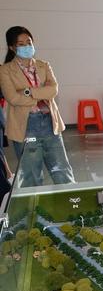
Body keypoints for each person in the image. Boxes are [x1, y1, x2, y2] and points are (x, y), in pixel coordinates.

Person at [0, 26, 74, 187]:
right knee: (31, 176)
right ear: (12, 47)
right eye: (21, 44)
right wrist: (41, 94)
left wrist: (28, 92)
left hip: (50, 123)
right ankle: (33, 204)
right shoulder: (5, 70)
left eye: (29, 42)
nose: (27, 46)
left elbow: (53, 90)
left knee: (63, 172)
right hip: (26, 126)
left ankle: (70, 202)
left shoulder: (43, 65)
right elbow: (12, 98)